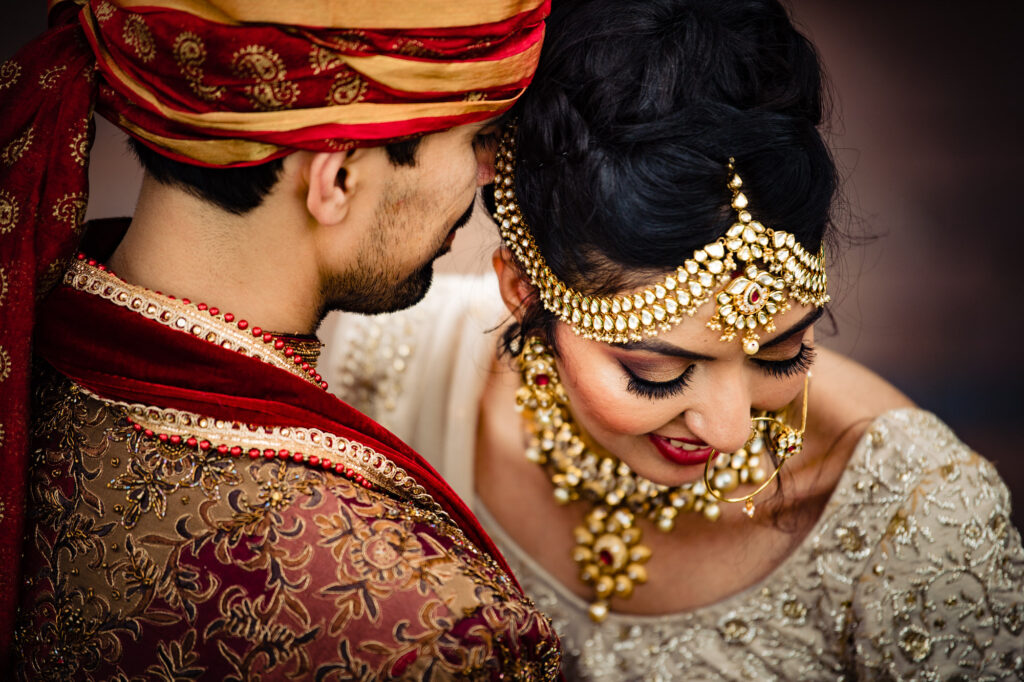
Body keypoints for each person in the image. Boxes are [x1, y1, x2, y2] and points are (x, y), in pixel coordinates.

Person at [321, 0, 1024, 678]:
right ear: (522, 290)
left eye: (780, 354)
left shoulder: (917, 517)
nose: (729, 430)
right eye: (656, 371)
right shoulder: (380, 370)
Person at [0, 0, 564, 678]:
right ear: (339, 178)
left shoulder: (23, 339)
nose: (489, 175)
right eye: (478, 140)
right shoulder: (434, 631)